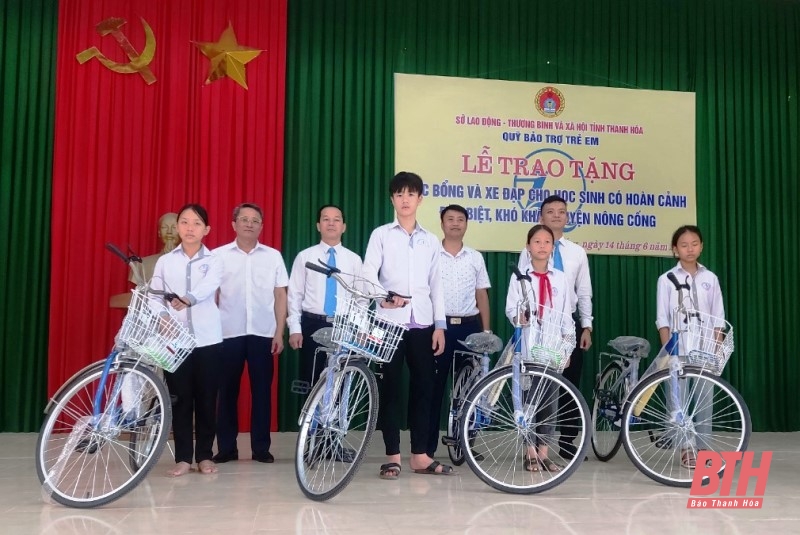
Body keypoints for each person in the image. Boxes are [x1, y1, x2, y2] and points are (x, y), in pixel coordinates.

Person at [362, 171, 452, 479]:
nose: (405, 199)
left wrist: (439, 325)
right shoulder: (381, 235)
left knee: (424, 388)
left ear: (420, 199)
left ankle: (420, 456)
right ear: (392, 199)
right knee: (391, 389)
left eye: (410, 194)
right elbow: (368, 275)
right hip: (389, 323)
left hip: (423, 324)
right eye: (399, 194)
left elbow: (437, 285)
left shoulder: (430, 241)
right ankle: (392, 456)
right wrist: (382, 297)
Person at [517, 194, 593, 460]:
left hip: (565, 325)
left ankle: (568, 441)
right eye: (551, 212)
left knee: (568, 383)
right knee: (535, 387)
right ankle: (532, 446)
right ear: (541, 216)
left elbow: (583, 292)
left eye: (562, 211)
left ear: (567, 217)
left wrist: (586, 326)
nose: (557, 216)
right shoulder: (527, 253)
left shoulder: (577, 253)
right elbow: (521, 293)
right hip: (535, 328)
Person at [151, 203, 223, 477]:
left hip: (208, 340)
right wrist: (163, 316)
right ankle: (182, 457)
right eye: (184, 222)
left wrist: (188, 299)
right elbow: (154, 294)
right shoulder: (166, 261)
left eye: (196, 223)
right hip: (175, 342)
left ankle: (204, 455)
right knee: (180, 400)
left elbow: (208, 287)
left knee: (206, 399)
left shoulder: (214, 260)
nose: (189, 228)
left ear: (206, 229)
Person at [213, 203, 288, 464]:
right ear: (233, 224)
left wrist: (279, 332)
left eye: (255, 220)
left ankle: (261, 448)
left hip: (263, 334)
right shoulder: (218, 256)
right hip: (227, 334)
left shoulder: (273, 256)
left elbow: (280, 295)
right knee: (226, 392)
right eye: (243, 219)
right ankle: (226, 448)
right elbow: (211, 296)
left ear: (261, 226)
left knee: (262, 393)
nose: (249, 223)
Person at [655, 224, 725, 469]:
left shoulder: (710, 278)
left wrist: (716, 348)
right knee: (679, 400)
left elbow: (718, 316)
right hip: (679, 347)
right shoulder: (666, 280)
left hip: (705, 349)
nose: (690, 249)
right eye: (684, 245)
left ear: (702, 246)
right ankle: (686, 448)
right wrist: (668, 350)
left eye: (694, 244)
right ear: (675, 250)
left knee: (705, 398)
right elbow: (662, 317)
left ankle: (703, 447)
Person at [507, 224, 574, 472]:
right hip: (528, 347)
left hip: (553, 348)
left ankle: (544, 453)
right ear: (528, 247)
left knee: (549, 400)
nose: (542, 246)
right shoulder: (520, 276)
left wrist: (567, 348)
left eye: (547, 242)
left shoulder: (561, 278)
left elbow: (567, 314)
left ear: (553, 248)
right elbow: (510, 308)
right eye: (537, 242)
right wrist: (519, 317)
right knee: (529, 400)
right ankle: (530, 452)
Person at [427, 204, 491, 458]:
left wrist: (486, 331)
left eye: (460, 219)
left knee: (471, 388)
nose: (455, 223)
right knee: (433, 388)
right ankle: (427, 448)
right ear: (441, 224)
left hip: (469, 327)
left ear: (466, 224)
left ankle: (467, 445)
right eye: (450, 219)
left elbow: (482, 295)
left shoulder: (475, 257)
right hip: (438, 328)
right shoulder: (431, 255)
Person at [288, 205, 364, 389]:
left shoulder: (354, 260)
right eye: (326, 219)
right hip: (312, 324)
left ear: (344, 226)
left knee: (340, 383)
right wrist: (294, 328)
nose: (331, 223)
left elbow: (361, 298)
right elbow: (294, 295)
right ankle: (311, 419)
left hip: (343, 326)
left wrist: (361, 328)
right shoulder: (305, 256)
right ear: (318, 225)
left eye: (336, 219)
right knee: (312, 383)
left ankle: (337, 419)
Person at [110, 212, 180, 308]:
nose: (169, 232)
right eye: (164, 227)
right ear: (159, 233)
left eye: (174, 227)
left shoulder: (192, 264)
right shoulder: (141, 264)